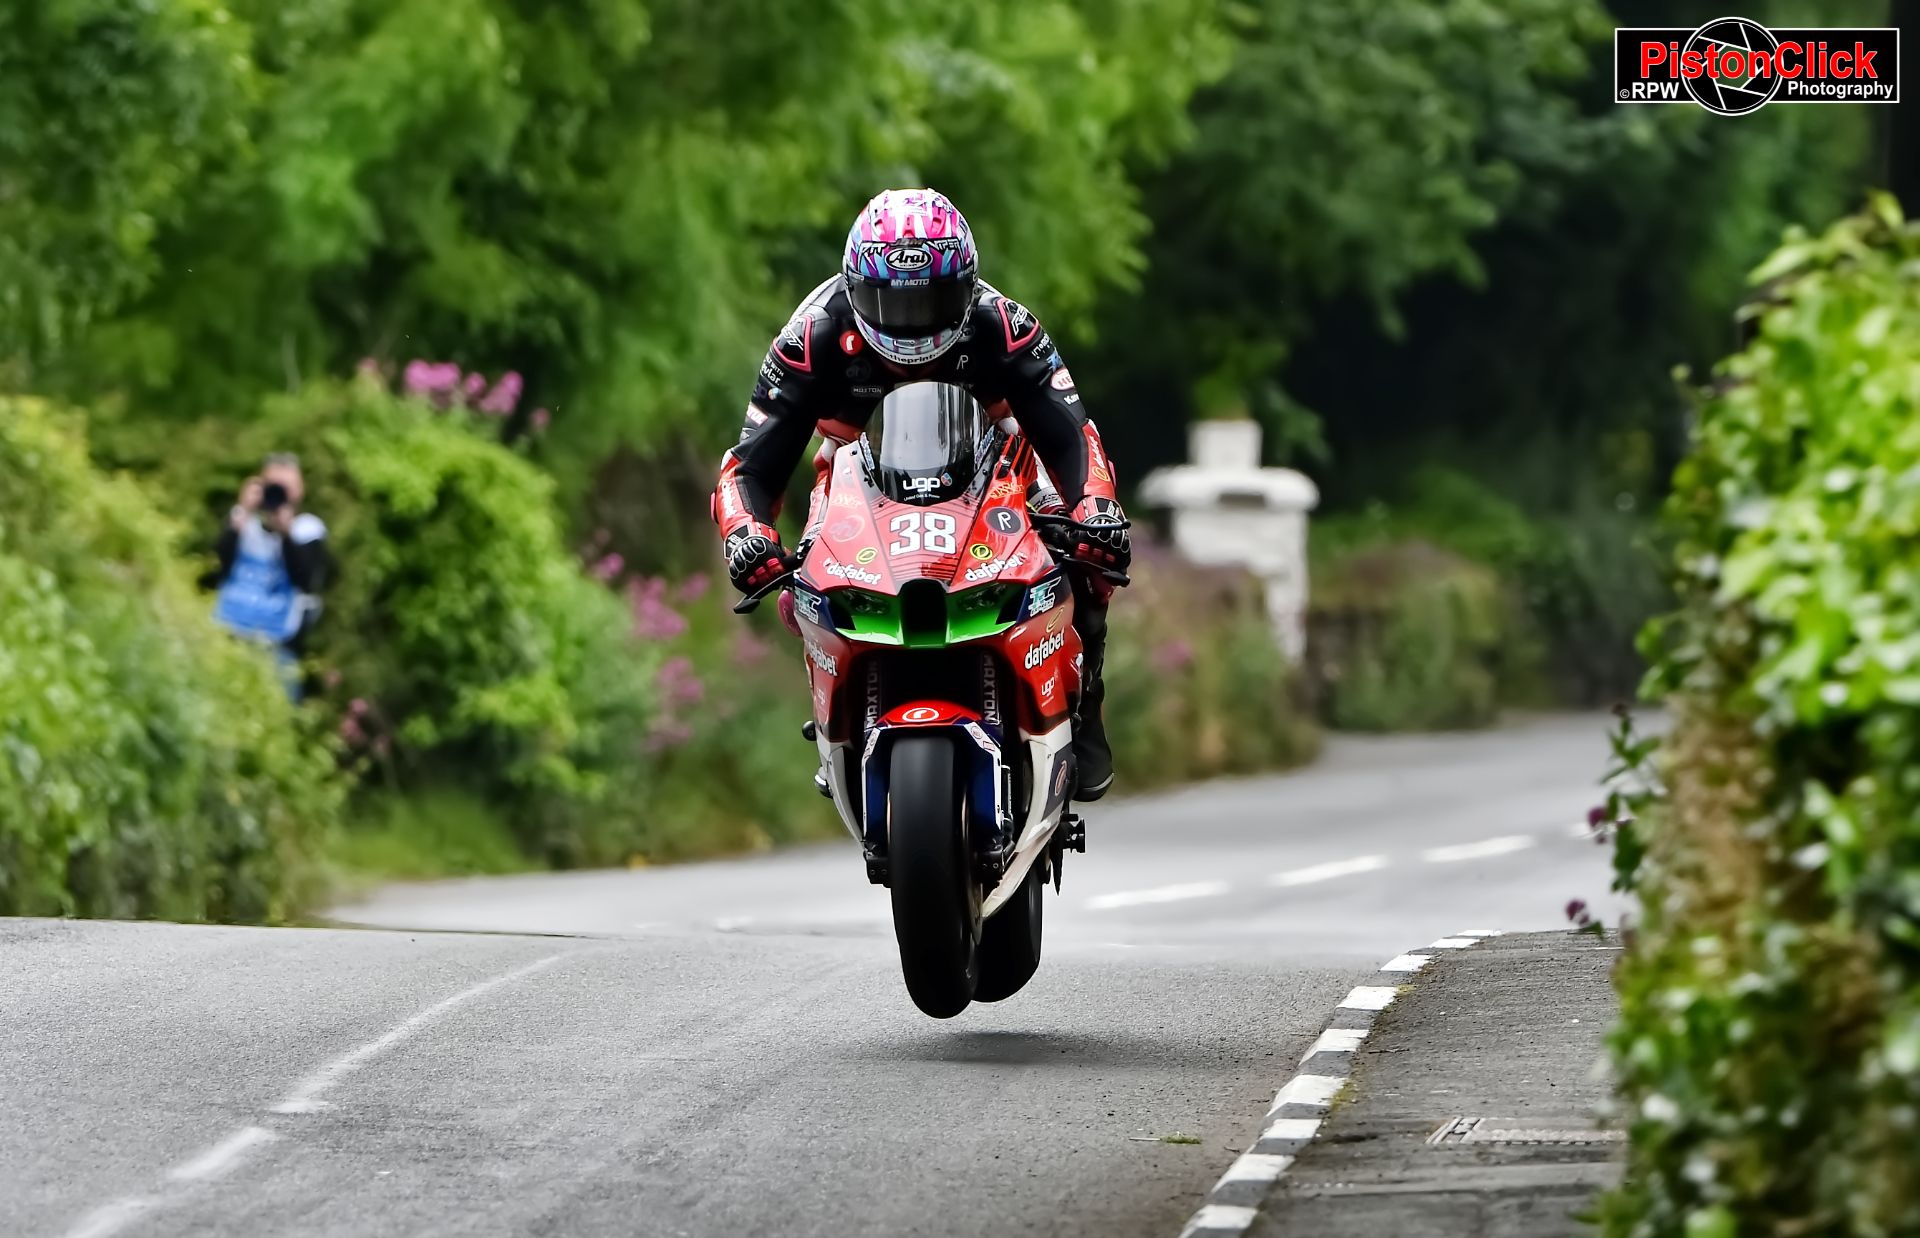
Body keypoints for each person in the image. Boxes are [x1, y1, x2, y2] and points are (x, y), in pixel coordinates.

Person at [712, 188, 1131, 800]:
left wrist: (1095, 506)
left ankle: (1084, 694)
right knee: (796, 590)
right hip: (858, 465)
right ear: (856, 291)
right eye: (889, 303)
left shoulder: (1005, 328)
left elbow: (1071, 433)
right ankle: (840, 719)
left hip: (1001, 451)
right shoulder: (812, 336)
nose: (910, 327)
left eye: (931, 303)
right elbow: (748, 466)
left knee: (1090, 555)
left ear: (966, 290)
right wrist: (746, 535)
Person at [211, 453, 331, 697]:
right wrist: (242, 512)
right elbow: (216, 564)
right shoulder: (243, 522)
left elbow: (306, 580)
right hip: (226, 633)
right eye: (272, 486)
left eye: (284, 488)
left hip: (275, 644)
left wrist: (285, 534)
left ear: (299, 491)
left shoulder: (307, 530)